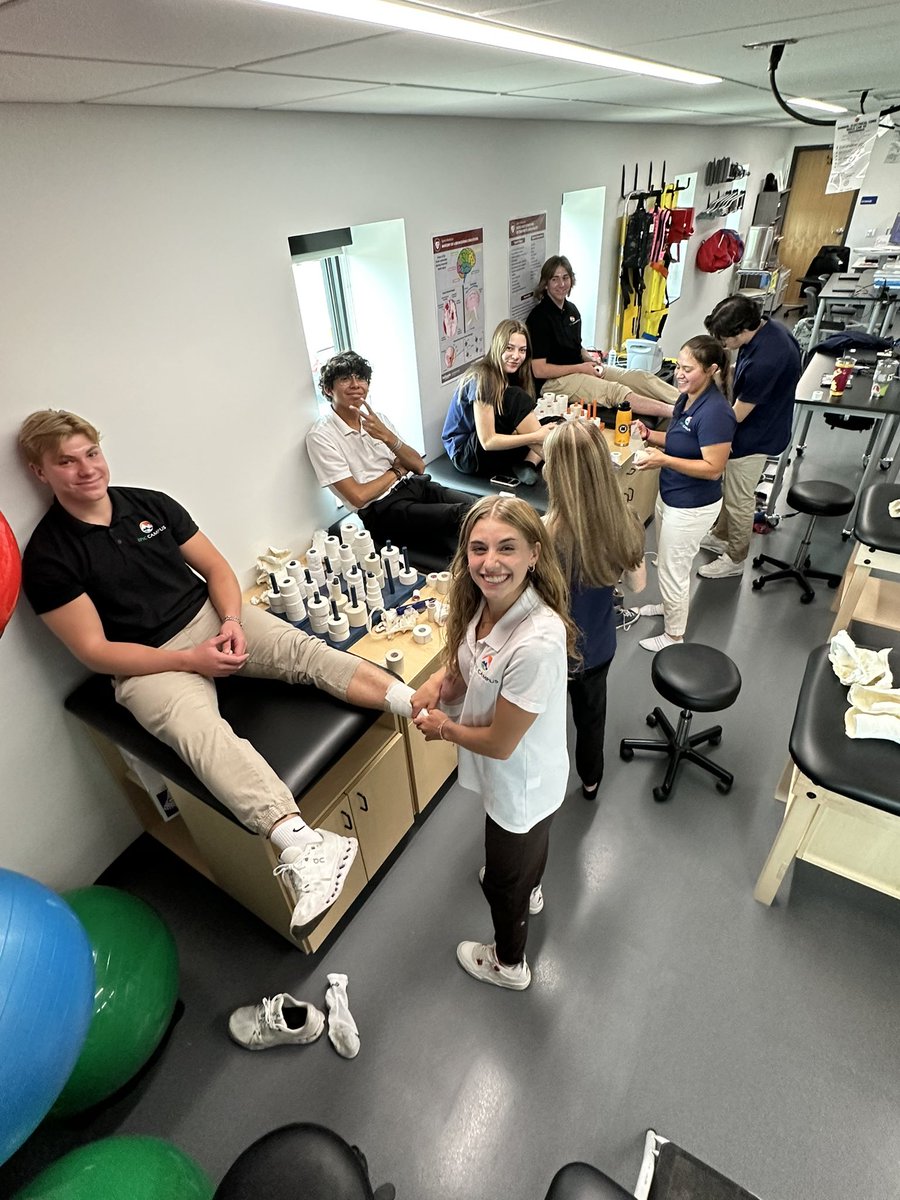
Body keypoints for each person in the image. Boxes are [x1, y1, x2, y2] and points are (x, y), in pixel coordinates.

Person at [19, 409, 418, 942]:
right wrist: (190, 661)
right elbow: (96, 651)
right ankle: (305, 845)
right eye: (66, 462)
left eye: (91, 453)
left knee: (306, 651)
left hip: (212, 618)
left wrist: (230, 621)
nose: (86, 469)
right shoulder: (48, 556)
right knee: (200, 736)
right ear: (40, 473)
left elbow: (217, 571)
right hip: (149, 661)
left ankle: (419, 706)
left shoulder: (149, 504)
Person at [411, 496, 575, 990]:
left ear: (535, 554)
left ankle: (508, 963)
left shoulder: (537, 642)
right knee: (529, 847)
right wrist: (439, 684)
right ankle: (533, 887)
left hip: (520, 779)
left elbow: (502, 744)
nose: (490, 562)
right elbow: (467, 664)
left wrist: (443, 728)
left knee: (503, 879)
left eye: (507, 547)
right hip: (523, 777)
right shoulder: (484, 607)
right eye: (478, 548)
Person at [543, 420, 646, 799]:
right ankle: (590, 780)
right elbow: (637, 586)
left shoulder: (540, 535)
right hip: (597, 648)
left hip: (550, 652)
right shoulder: (626, 525)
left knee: (546, 722)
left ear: (554, 471)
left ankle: (547, 786)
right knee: (591, 720)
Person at [306, 351, 473, 561]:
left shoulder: (378, 419)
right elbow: (358, 497)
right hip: (383, 510)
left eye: (361, 378)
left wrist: (386, 436)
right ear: (329, 389)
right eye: (345, 379)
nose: (356, 384)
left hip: (415, 486)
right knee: (463, 514)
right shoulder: (321, 436)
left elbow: (418, 466)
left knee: (480, 506)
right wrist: (396, 470)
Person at [632, 336, 736, 652]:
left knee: (672, 568)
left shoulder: (716, 412)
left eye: (688, 369)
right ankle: (668, 607)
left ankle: (674, 635)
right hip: (671, 495)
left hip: (692, 506)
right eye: (678, 365)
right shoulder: (687, 398)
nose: (679, 373)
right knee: (668, 561)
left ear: (712, 370)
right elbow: (680, 439)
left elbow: (713, 467)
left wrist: (662, 459)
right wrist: (651, 435)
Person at [700, 295, 802, 578]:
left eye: (724, 339)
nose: (722, 345)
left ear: (742, 330)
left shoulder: (767, 359)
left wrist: (703, 424)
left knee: (738, 499)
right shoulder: (768, 329)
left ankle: (735, 558)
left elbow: (737, 416)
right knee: (729, 488)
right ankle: (721, 536)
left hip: (756, 435)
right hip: (763, 422)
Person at [525, 255, 678, 419]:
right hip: (554, 382)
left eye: (565, 277)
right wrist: (580, 368)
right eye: (554, 279)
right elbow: (539, 370)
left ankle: (689, 401)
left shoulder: (571, 310)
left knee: (640, 377)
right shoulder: (539, 318)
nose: (561, 284)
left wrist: (590, 360)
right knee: (616, 391)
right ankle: (676, 412)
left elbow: (577, 346)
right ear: (546, 284)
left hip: (579, 368)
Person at [441, 319, 549, 486]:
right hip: (466, 454)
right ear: (498, 346)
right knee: (518, 399)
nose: (516, 356)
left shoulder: (513, 374)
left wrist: (533, 433)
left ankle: (528, 463)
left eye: (522, 350)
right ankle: (558, 465)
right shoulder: (482, 377)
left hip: (488, 446)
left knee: (555, 422)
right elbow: (487, 441)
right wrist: (535, 436)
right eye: (509, 348)